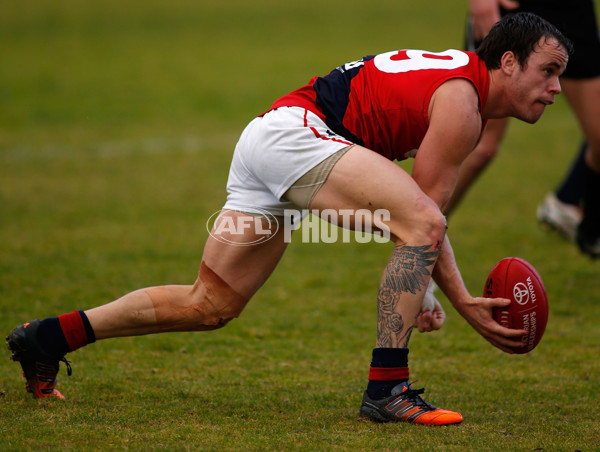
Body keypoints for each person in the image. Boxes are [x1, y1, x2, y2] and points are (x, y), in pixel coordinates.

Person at [6, 13, 571, 426]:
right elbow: (424, 219)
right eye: (548, 71)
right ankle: (387, 388)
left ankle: (47, 338)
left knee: (210, 304)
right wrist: (459, 301)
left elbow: (420, 217)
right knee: (420, 224)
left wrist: (434, 292)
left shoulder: (461, 89)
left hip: (271, 138)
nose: (556, 88)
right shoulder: (462, 103)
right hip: (297, 138)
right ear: (507, 62)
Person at [448, 0, 600, 258]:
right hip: (514, 8)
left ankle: (589, 225)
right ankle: (421, 235)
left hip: (573, 11)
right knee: (480, 141)